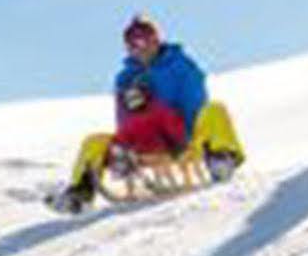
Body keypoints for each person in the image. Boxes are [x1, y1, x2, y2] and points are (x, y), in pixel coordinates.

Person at [50, 15, 244, 212]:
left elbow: (195, 101)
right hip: (142, 143)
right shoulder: (125, 77)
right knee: (94, 142)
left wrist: (180, 133)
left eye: (142, 40)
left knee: (214, 111)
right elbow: (123, 118)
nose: (138, 47)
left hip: (181, 135)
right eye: (131, 44)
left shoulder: (180, 66)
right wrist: (124, 150)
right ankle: (79, 195)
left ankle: (222, 159)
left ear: (155, 40)